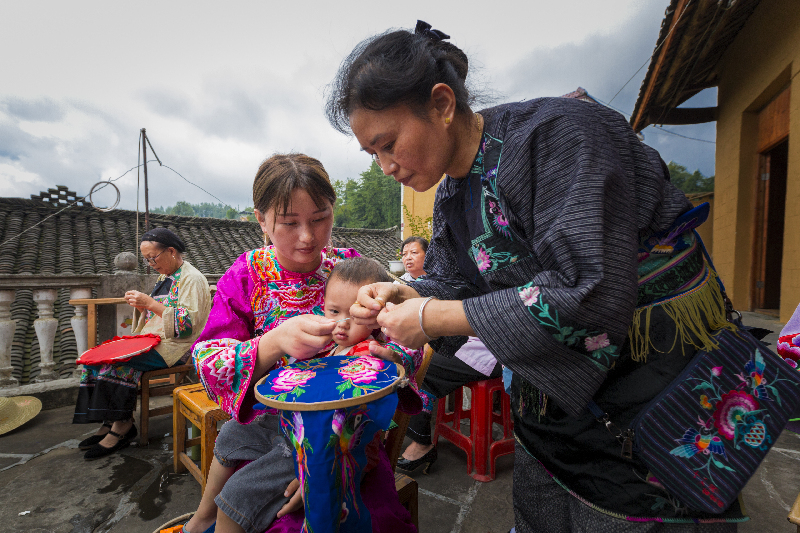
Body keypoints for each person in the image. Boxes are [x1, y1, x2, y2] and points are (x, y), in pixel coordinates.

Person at [328, 20, 745, 531]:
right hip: (557, 400)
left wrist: (432, 314)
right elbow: (457, 283)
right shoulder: (452, 194)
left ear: (441, 104)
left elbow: (588, 292)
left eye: (388, 143)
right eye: (373, 154)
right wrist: (405, 291)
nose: (385, 166)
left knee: (637, 512)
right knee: (545, 506)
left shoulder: (558, 135)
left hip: (654, 375)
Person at [185, 154, 418, 533]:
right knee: (242, 479)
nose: (307, 237)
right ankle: (204, 516)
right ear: (261, 220)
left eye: (320, 218)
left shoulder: (350, 268)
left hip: (348, 434)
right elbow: (207, 359)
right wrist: (272, 343)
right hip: (269, 428)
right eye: (289, 223)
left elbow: (404, 338)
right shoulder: (245, 276)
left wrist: (393, 356)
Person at [74, 228, 211, 460]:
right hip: (154, 340)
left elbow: (186, 325)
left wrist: (150, 302)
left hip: (176, 347)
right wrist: (143, 308)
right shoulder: (165, 277)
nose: (150, 264)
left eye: (153, 258)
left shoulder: (193, 278)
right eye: (146, 259)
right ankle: (109, 421)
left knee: (117, 364)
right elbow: (157, 316)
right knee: (94, 358)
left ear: (171, 251)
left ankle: (123, 427)